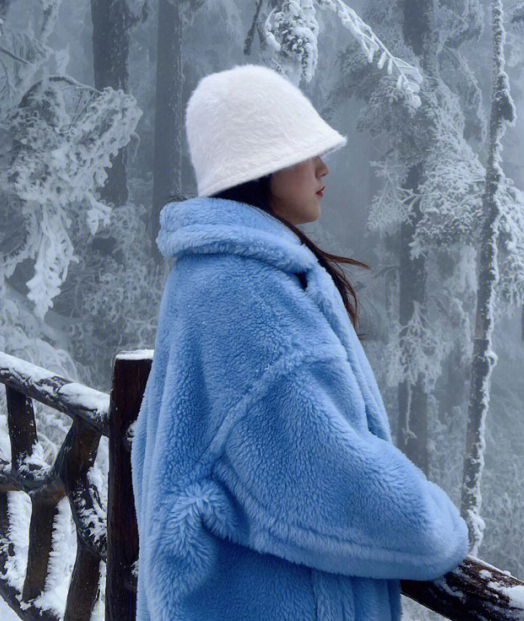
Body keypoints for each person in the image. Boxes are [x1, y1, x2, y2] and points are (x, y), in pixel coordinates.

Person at [132, 64, 469, 621]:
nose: (322, 167)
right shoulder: (247, 294)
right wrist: (436, 523)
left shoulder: (207, 276)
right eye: (300, 150)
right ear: (257, 164)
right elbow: (332, 477)